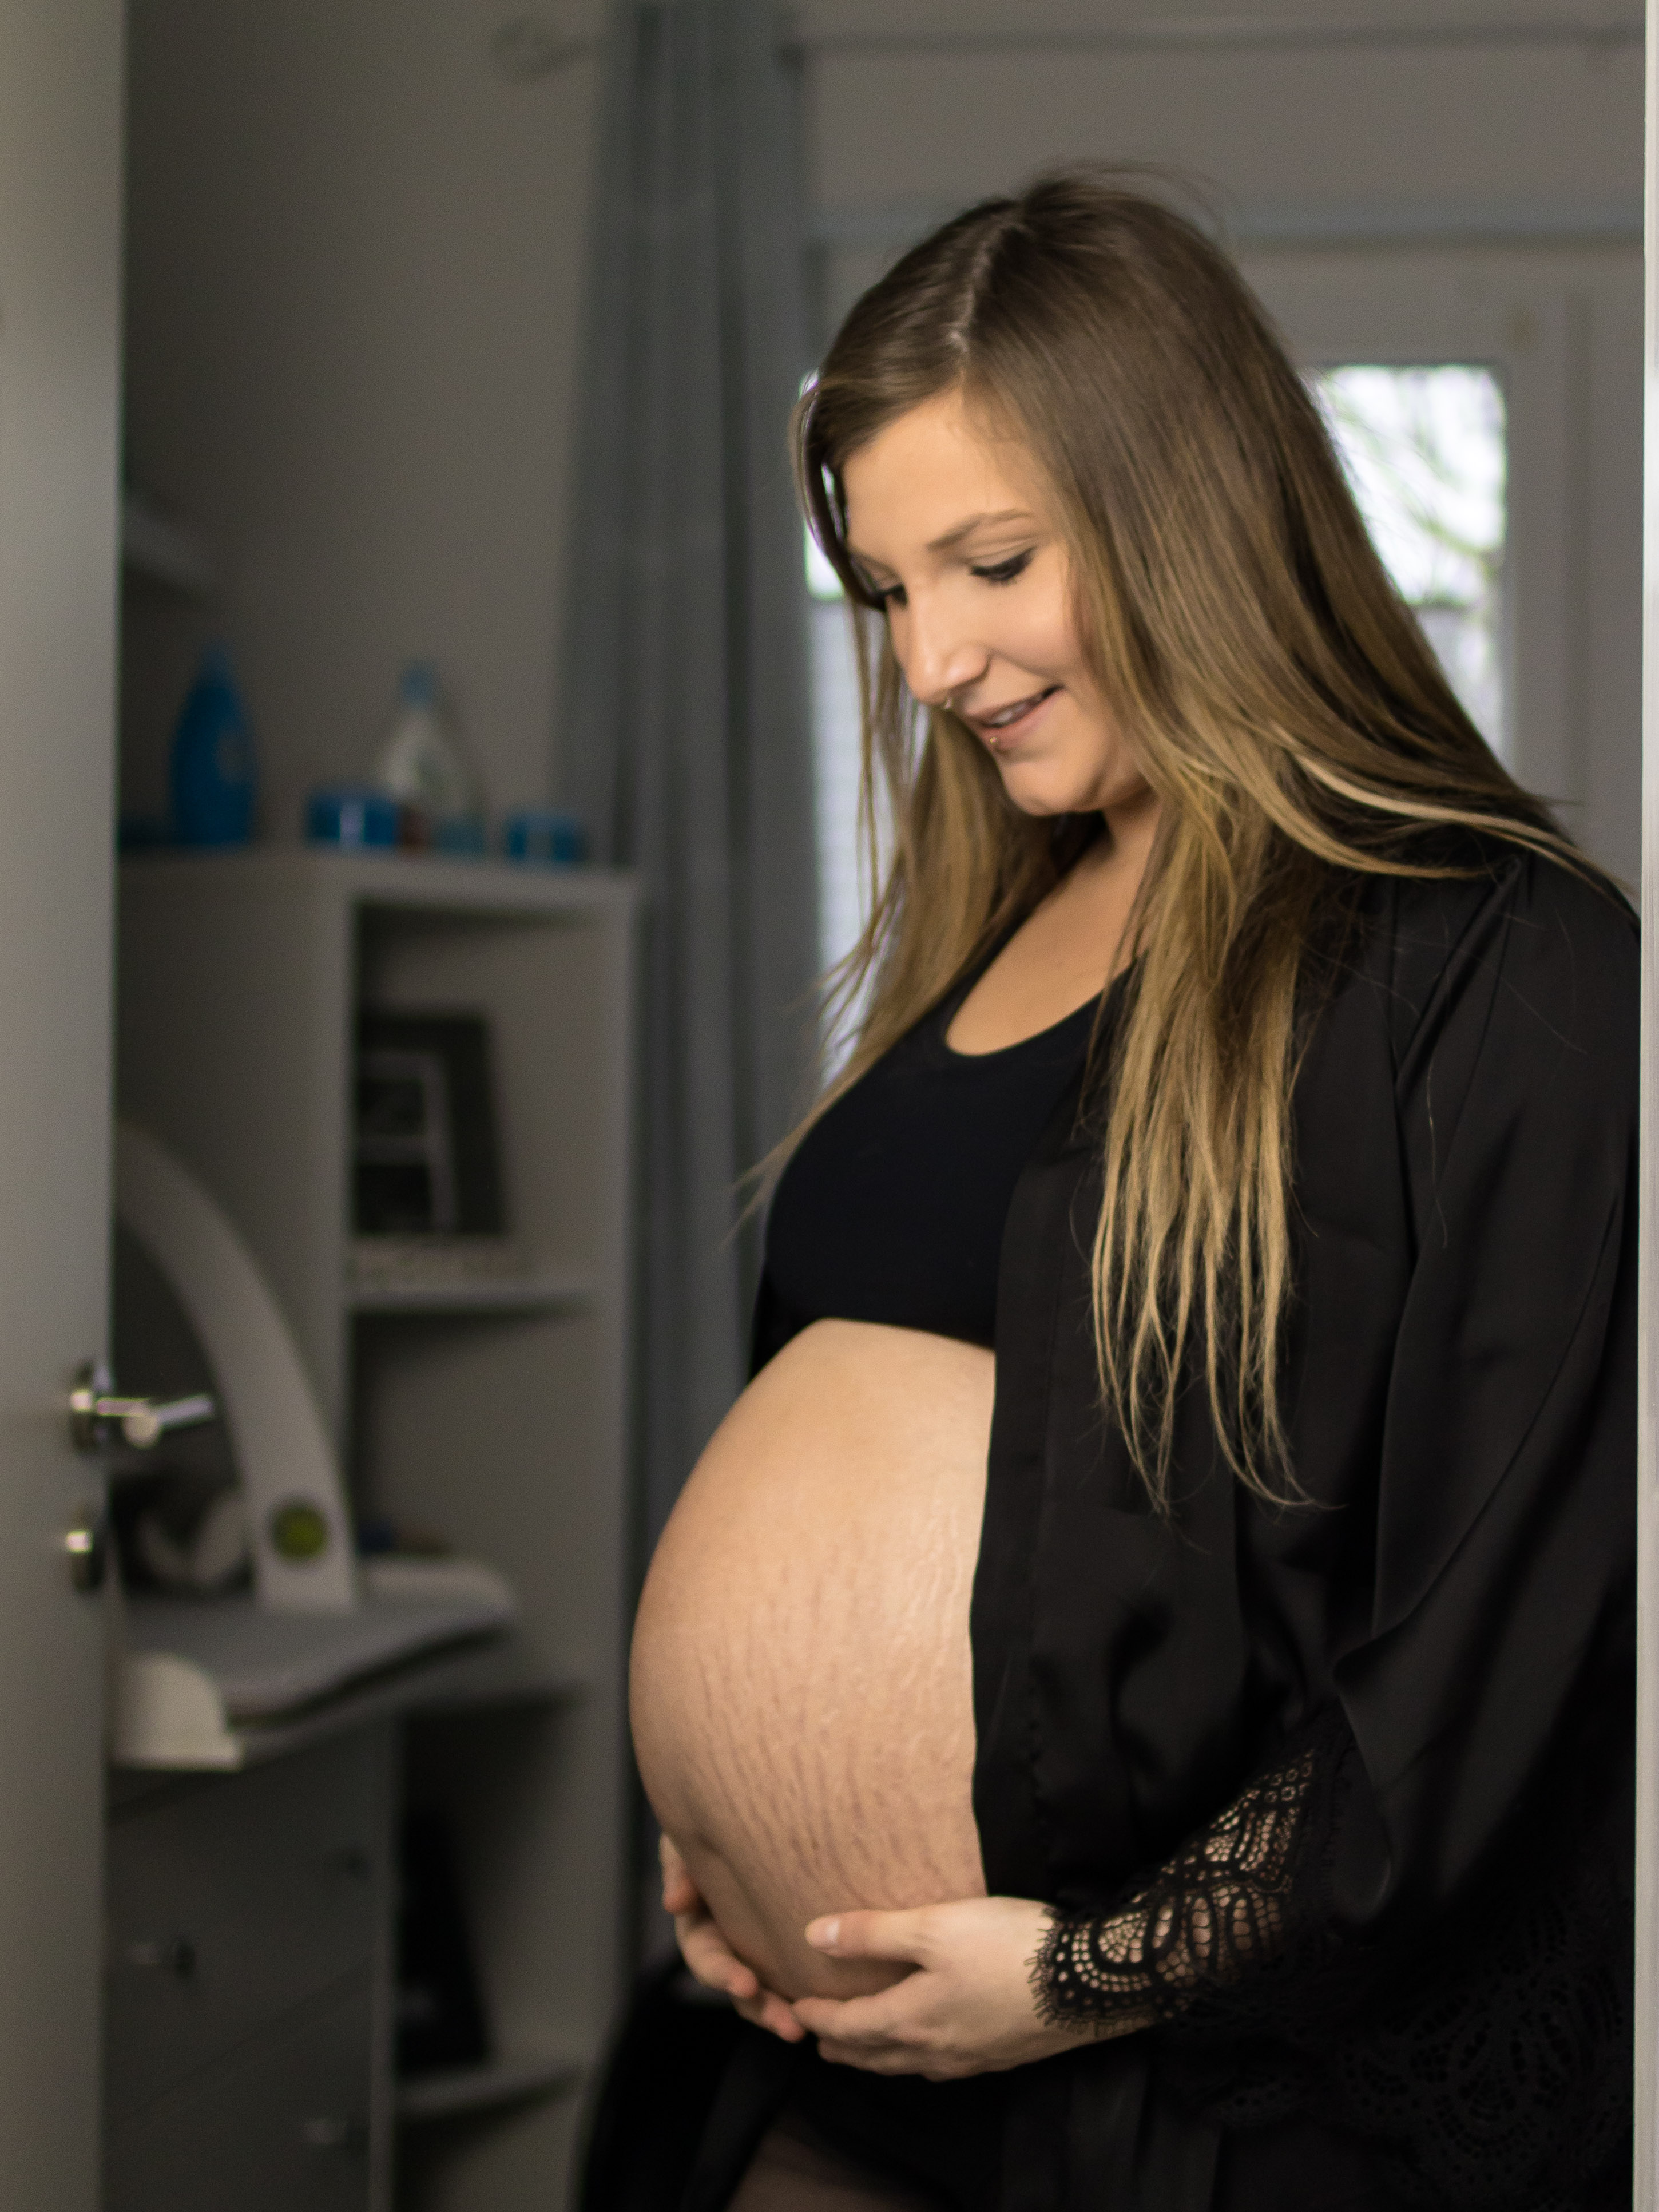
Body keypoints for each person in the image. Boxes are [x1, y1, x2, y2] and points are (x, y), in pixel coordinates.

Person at [632, 169, 1636, 2212]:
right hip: (837, 2049)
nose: (931, 660)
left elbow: (1484, 1652)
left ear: (1183, 505)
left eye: (989, 563)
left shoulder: (1498, 967)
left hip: (1200, 2104)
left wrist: (1093, 1973)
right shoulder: (983, 932)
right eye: (890, 593)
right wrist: (721, 1832)